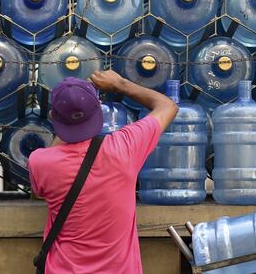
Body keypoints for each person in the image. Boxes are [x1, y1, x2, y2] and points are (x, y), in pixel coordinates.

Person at [28, 69, 179, 274]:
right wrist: (120, 84)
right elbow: (167, 106)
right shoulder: (125, 147)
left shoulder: (40, 162)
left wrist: (66, 120)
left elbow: (38, 193)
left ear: (53, 116)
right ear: (99, 109)